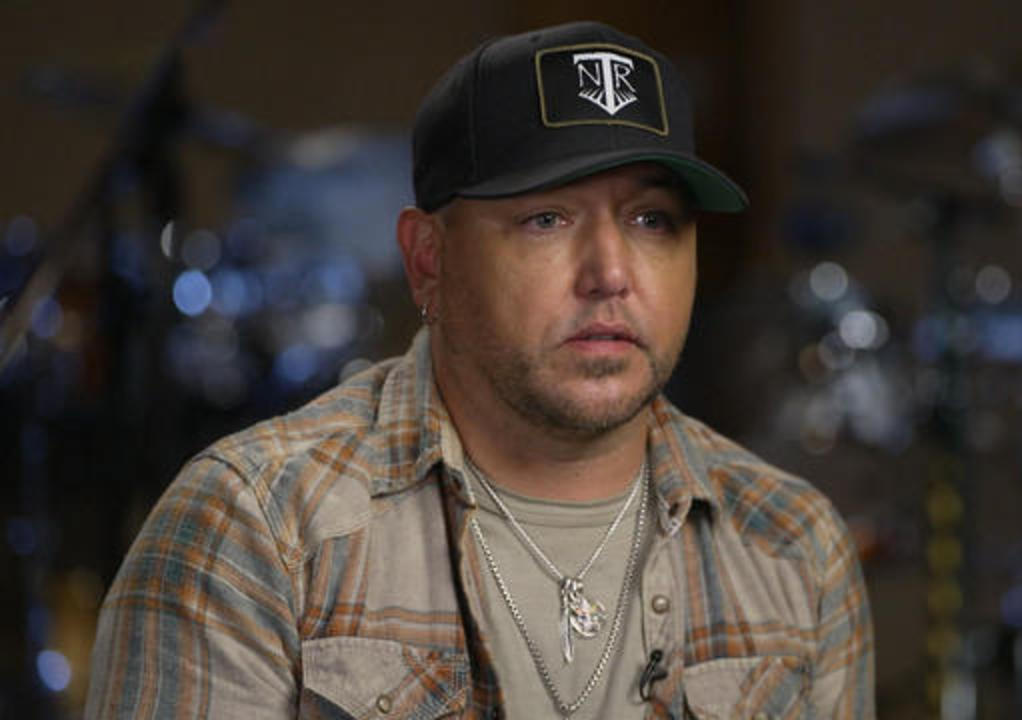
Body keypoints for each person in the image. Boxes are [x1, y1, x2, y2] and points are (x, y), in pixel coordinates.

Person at [86, 20, 873, 719]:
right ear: (428, 261)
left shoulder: (794, 547)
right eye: (546, 218)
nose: (611, 271)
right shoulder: (255, 530)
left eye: (651, 220)